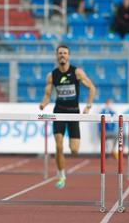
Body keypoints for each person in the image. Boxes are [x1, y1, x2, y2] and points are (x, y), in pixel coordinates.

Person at [39, 45, 96, 189]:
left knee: (74, 149)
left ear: (69, 56)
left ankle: (62, 169)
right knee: (59, 146)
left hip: (73, 113)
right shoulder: (52, 75)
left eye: (64, 53)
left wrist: (88, 106)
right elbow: (47, 95)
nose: (62, 55)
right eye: (60, 53)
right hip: (58, 112)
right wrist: (43, 104)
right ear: (56, 56)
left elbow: (92, 88)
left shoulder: (76, 72)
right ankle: (61, 174)